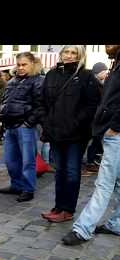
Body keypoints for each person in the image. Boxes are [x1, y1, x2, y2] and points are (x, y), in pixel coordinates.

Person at [62, 45, 120, 245]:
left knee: (104, 184)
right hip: (111, 131)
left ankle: (83, 228)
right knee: (117, 182)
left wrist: (115, 126)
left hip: (116, 133)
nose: (106, 46)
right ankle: (117, 223)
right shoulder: (116, 62)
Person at [39, 45, 101, 223]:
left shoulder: (86, 76)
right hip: (56, 132)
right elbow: (43, 101)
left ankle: (68, 209)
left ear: (80, 56)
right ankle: (58, 206)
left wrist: (75, 123)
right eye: (66, 52)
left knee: (72, 172)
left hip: (76, 134)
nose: (69, 55)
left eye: (74, 53)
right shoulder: (52, 74)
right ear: (61, 54)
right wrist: (47, 122)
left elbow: (92, 106)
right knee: (60, 171)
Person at [0, 52, 44, 202]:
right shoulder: (13, 81)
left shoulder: (38, 81)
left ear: (32, 63)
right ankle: (16, 185)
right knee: (10, 160)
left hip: (25, 127)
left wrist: (28, 122)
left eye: (24, 64)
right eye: (18, 64)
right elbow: (5, 101)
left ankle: (28, 189)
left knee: (27, 161)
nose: (21, 67)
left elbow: (41, 106)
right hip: (10, 126)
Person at [84, 62, 109, 174]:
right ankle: (90, 162)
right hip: (93, 118)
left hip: (98, 118)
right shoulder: (94, 84)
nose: (106, 73)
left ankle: (92, 161)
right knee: (94, 140)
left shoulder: (102, 83)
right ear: (98, 72)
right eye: (104, 71)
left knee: (96, 140)